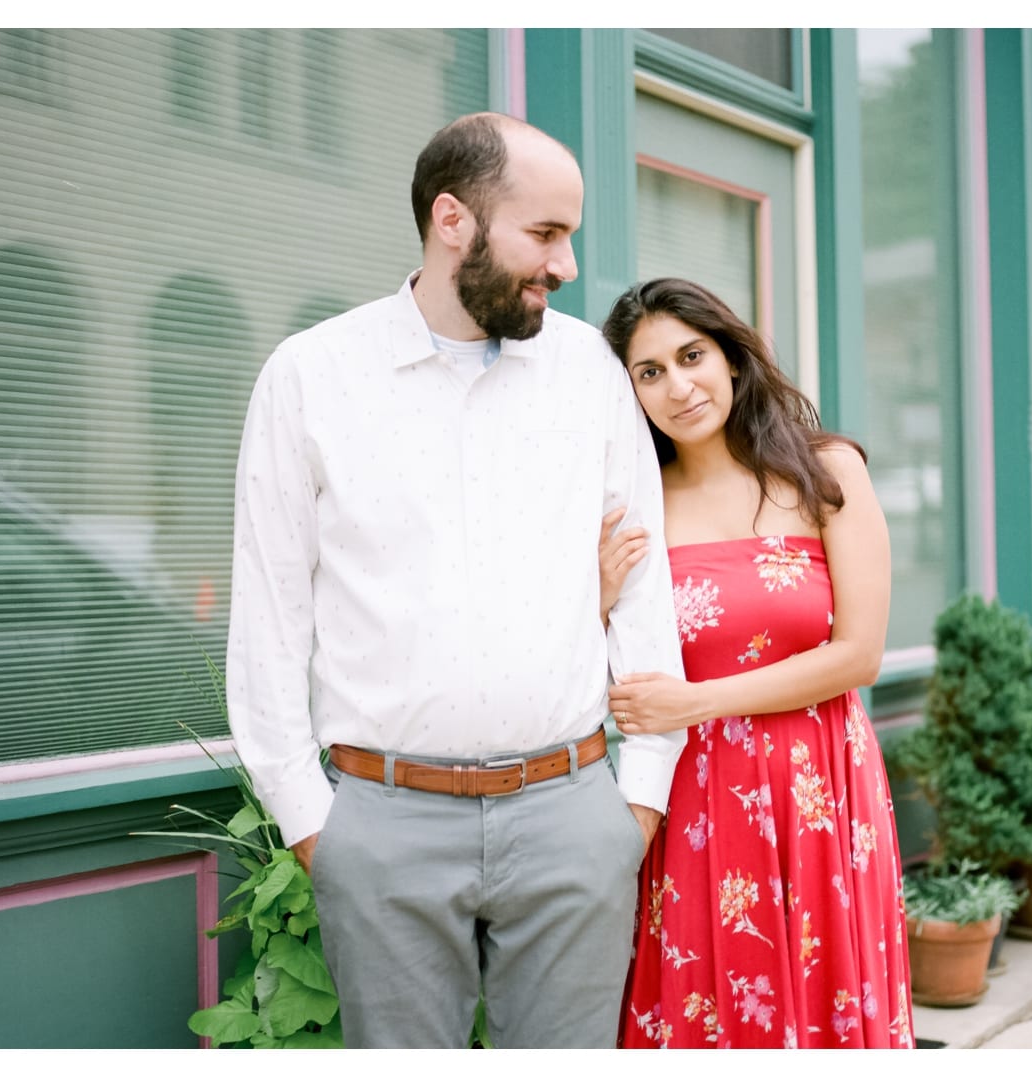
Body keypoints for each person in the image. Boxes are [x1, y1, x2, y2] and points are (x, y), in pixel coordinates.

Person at [225, 112, 686, 1049]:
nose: (564, 266)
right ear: (453, 219)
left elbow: (644, 585)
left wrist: (636, 802)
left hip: (573, 816)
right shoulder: (311, 376)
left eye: (570, 238)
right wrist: (315, 824)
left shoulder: (589, 373)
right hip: (382, 826)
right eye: (545, 234)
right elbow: (270, 619)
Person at [598, 278, 916, 1049]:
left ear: (731, 358)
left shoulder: (825, 471)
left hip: (819, 786)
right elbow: (595, 669)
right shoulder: (637, 502)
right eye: (649, 372)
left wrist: (697, 702)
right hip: (694, 797)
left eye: (691, 355)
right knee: (705, 995)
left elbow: (859, 654)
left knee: (822, 993)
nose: (678, 386)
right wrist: (598, 596)